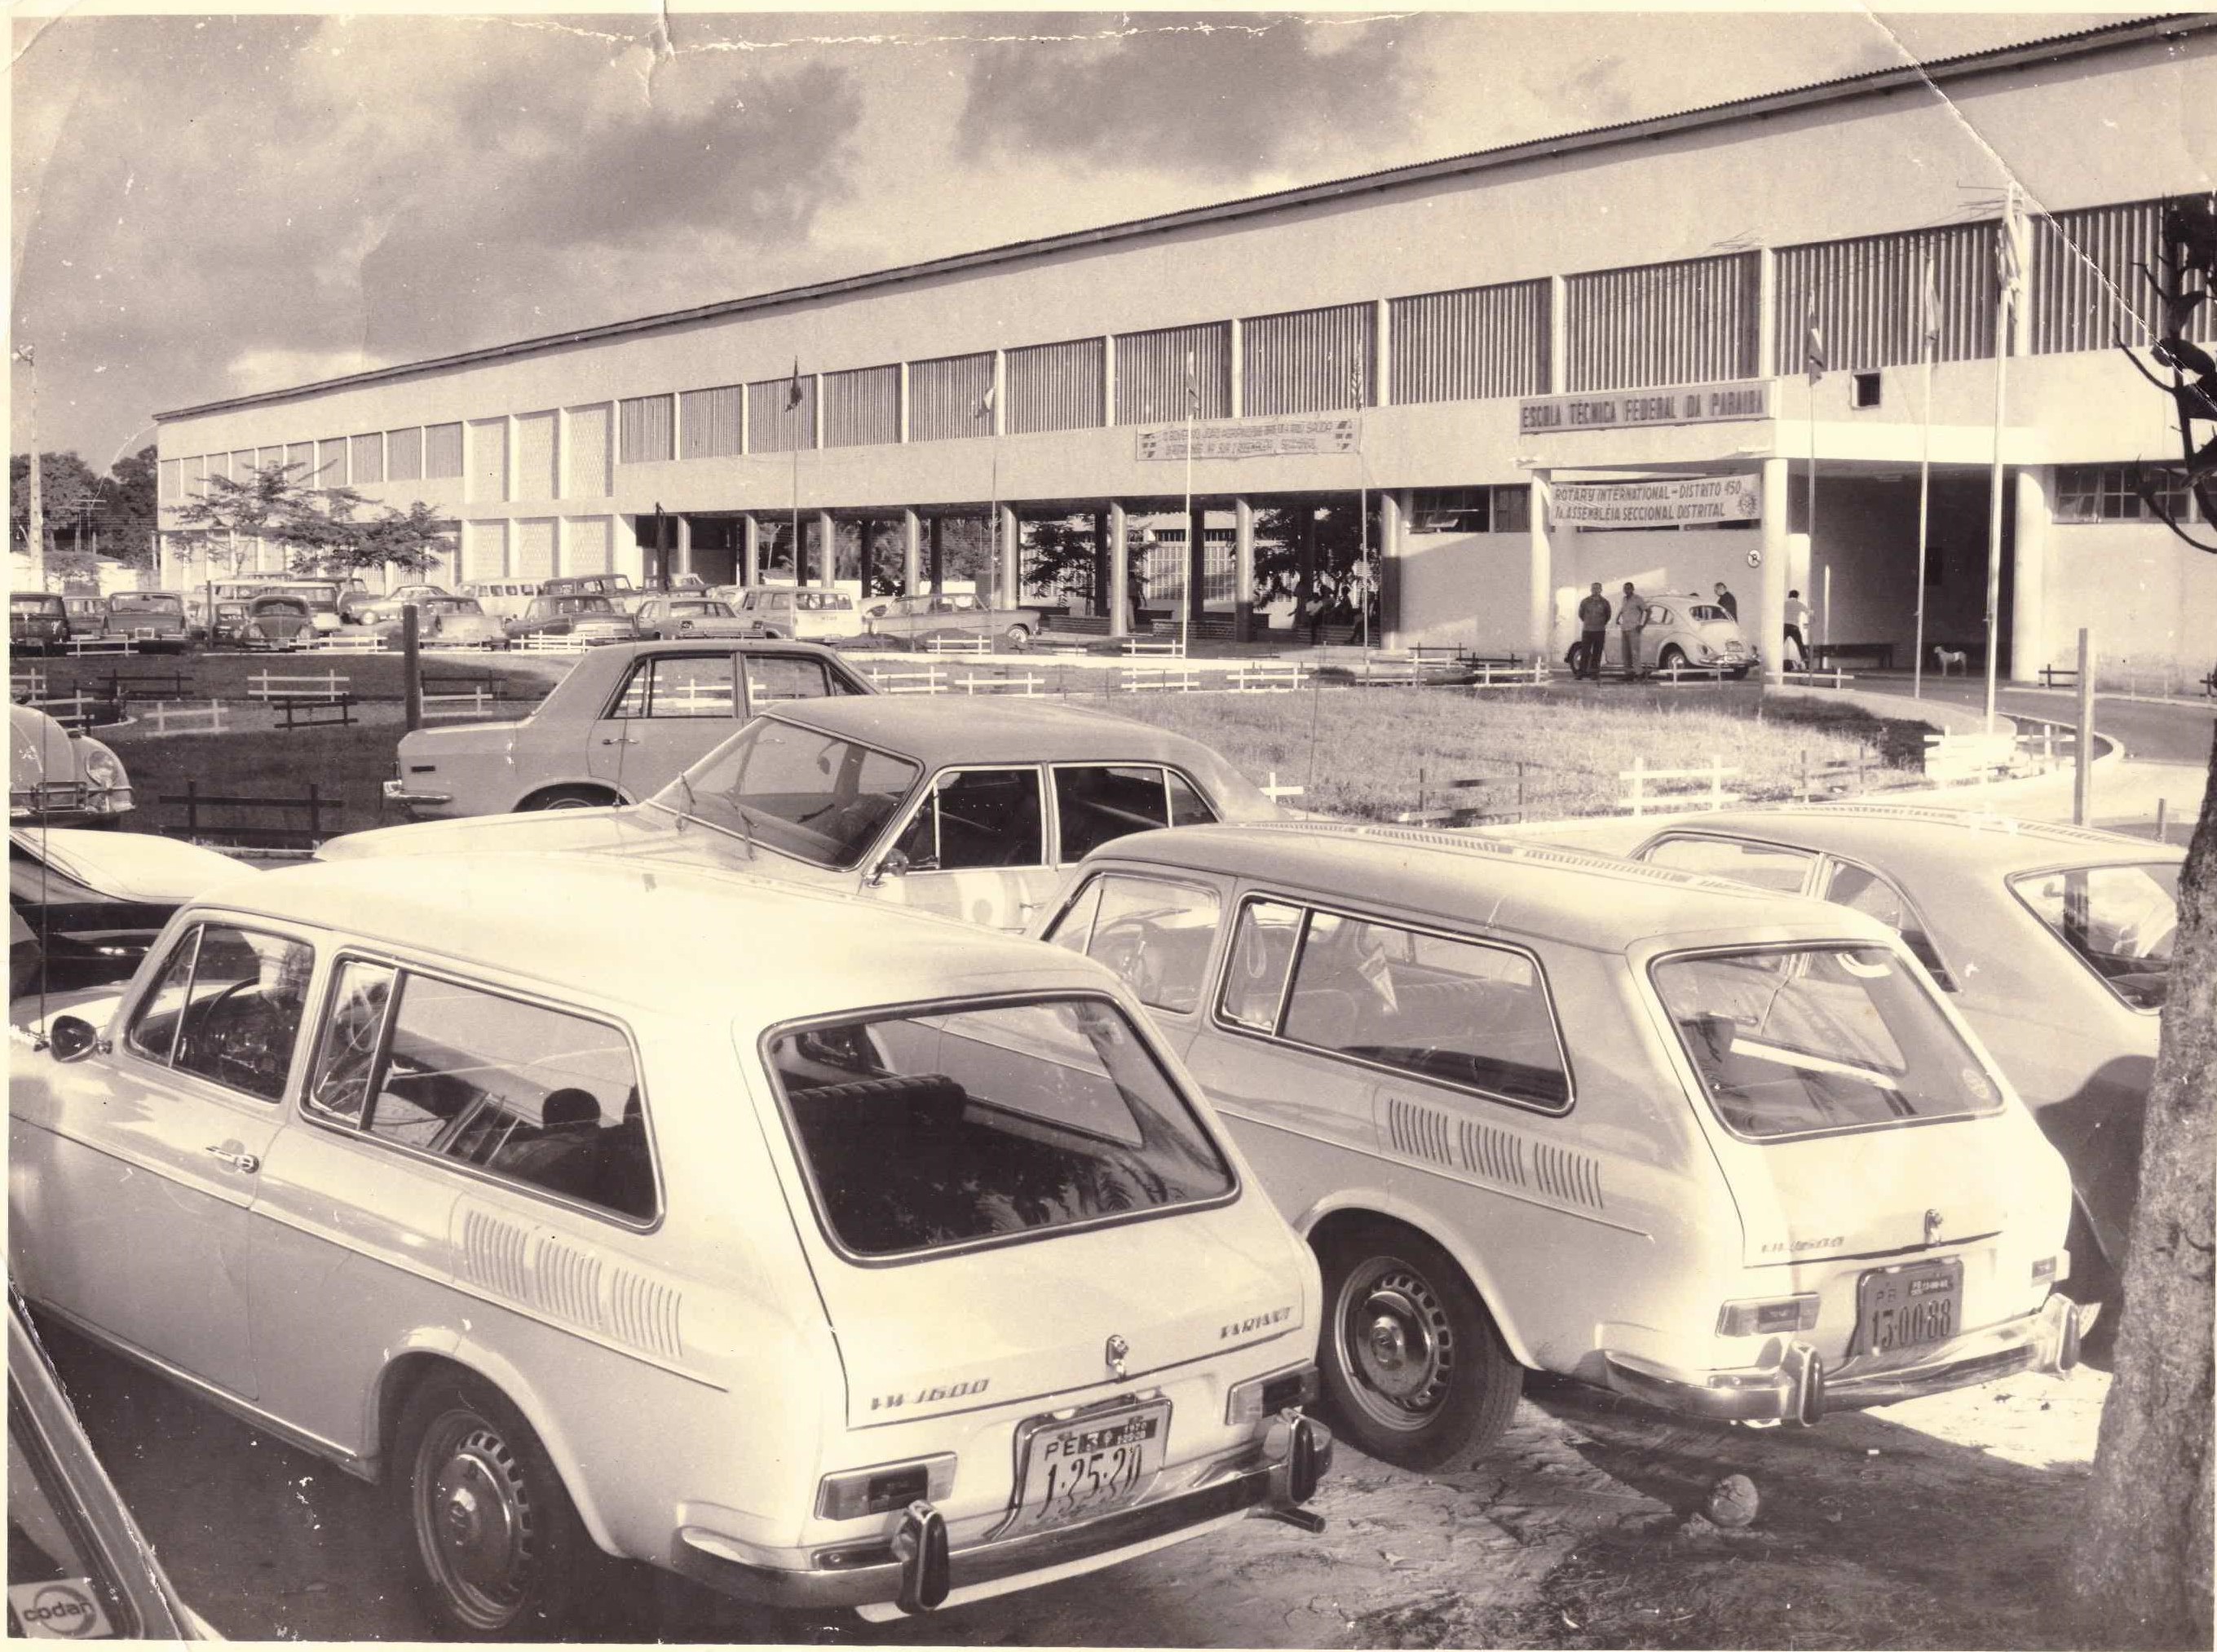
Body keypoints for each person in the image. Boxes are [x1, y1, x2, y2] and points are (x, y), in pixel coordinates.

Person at [1574, 582, 1612, 680]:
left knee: (1597, 652)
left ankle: (1594, 673)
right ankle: (1581, 673)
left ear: (1601, 590)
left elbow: (1608, 615)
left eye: (1598, 588)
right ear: (1591, 589)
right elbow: (1581, 614)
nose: (1596, 590)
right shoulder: (1585, 602)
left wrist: (1600, 623)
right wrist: (1588, 622)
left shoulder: (1605, 602)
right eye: (1594, 588)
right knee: (1585, 652)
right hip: (1587, 630)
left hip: (1599, 630)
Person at [1616, 581, 1648, 680]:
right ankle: (1628, 674)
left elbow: (1647, 611)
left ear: (1633, 589)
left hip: (1634, 628)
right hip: (1625, 628)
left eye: (1628, 588)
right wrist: (1617, 618)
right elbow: (1622, 610)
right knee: (1626, 653)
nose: (1626, 590)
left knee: (1635, 652)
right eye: (1625, 588)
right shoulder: (1624, 599)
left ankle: (1639, 673)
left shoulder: (1638, 599)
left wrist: (1642, 625)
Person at [1784, 588, 1813, 670]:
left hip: (1785, 626)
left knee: (1780, 645)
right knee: (1800, 645)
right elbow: (1809, 613)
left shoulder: (1785, 604)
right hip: (1794, 627)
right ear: (1797, 596)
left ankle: (1775, 662)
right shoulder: (1799, 604)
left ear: (1789, 595)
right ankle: (1807, 664)